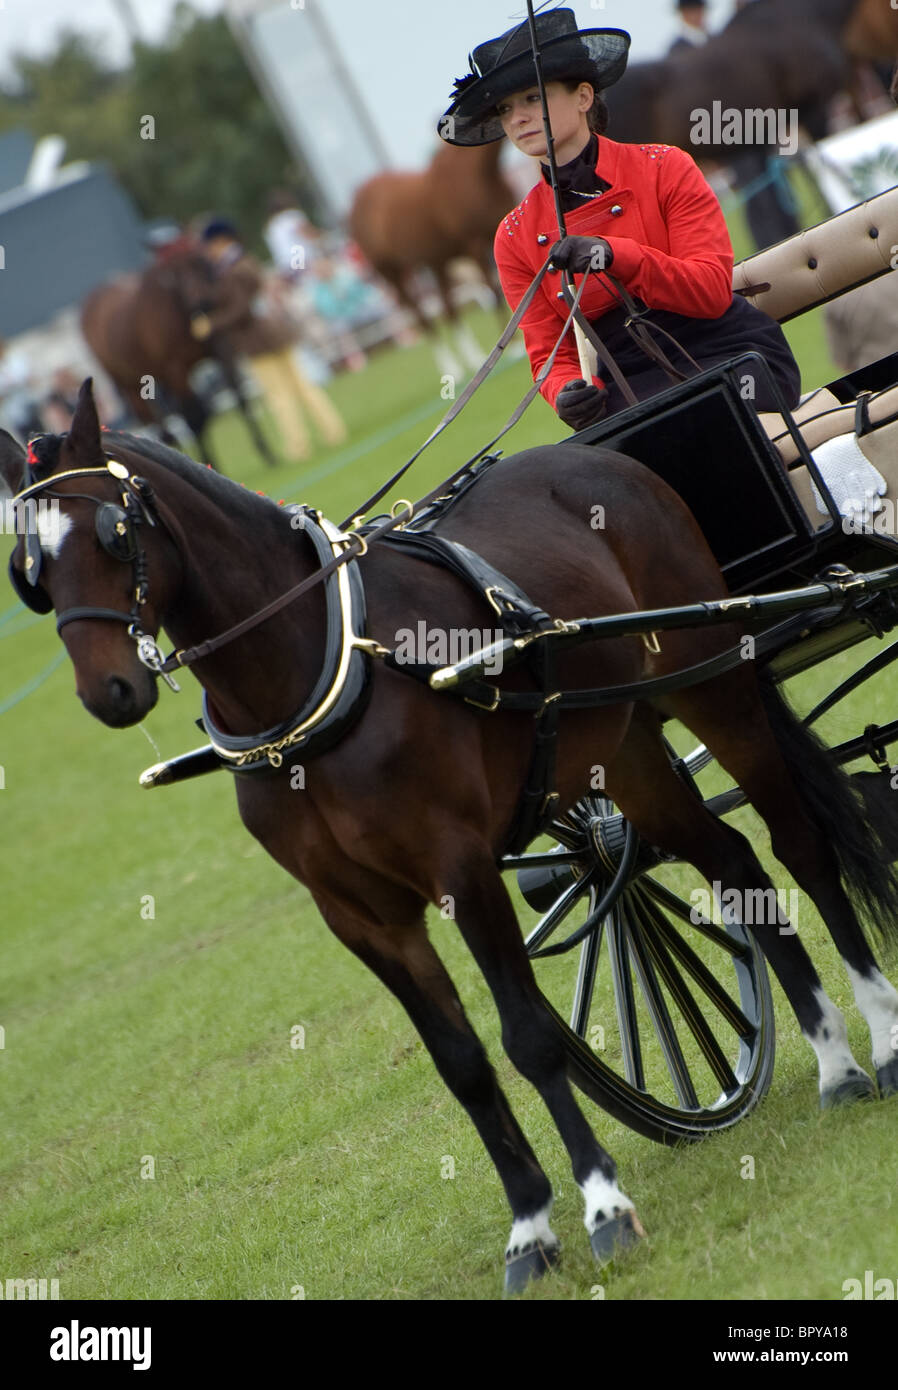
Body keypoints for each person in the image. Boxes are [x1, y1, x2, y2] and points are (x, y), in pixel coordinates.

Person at [438, 8, 802, 431]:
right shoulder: (513, 236)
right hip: (626, 382)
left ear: (583, 97)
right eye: (505, 108)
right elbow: (548, 354)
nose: (517, 118)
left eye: (534, 98)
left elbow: (709, 292)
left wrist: (615, 256)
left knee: (687, 429)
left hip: (724, 352)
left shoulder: (665, 167)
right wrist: (568, 391)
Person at [195, 218, 347, 462]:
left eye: (210, 246)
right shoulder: (245, 261)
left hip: (257, 339)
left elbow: (239, 309)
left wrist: (211, 323)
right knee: (301, 386)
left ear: (221, 242)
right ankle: (333, 430)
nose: (208, 253)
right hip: (274, 332)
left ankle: (298, 446)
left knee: (279, 396)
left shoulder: (232, 270)